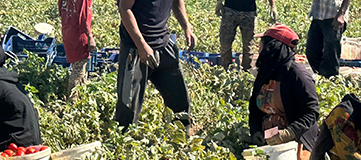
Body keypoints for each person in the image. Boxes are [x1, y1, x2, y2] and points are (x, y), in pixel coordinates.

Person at [116, 0, 197, 128]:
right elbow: (124, 8)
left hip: (163, 43)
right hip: (135, 48)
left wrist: (187, 27)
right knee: (128, 107)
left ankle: (182, 137)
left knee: (179, 99)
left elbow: (177, 2)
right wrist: (141, 45)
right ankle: (125, 141)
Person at [249, 24, 320, 160]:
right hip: (269, 140)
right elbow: (254, 107)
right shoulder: (265, 72)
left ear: (272, 47)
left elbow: (311, 112)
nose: (259, 48)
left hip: (296, 142)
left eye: (262, 44)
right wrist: (256, 130)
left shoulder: (297, 75)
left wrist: (289, 133)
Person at [216, 0, 277, 71]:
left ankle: (246, 71)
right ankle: (226, 69)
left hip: (249, 12)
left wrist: (273, 6)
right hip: (230, 9)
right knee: (225, 43)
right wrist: (219, 2)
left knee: (248, 46)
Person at [59, 0, 98, 101]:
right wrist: (89, 36)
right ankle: (73, 99)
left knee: (76, 66)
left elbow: (61, 11)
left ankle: (78, 95)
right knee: (79, 69)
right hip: (79, 34)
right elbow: (84, 18)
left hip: (68, 31)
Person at [306, 0, 350, 78]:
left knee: (330, 52)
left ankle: (330, 79)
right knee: (311, 51)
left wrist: (341, 14)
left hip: (334, 16)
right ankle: (321, 77)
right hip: (317, 15)